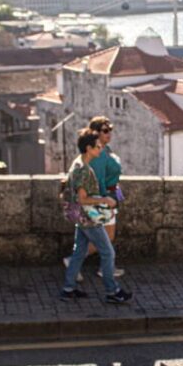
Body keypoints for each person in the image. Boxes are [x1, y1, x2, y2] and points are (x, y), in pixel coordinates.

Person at [60, 129, 132, 304]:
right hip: (88, 218)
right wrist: (105, 199)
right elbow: (82, 198)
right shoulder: (83, 170)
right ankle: (112, 291)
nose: (100, 149)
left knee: (79, 253)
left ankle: (68, 289)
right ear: (88, 148)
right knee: (108, 252)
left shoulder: (78, 163)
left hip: (80, 216)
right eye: (97, 147)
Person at [63, 116, 124, 281]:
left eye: (110, 130)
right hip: (102, 200)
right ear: (95, 133)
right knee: (107, 239)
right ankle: (102, 272)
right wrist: (104, 200)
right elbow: (95, 180)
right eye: (105, 131)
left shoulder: (104, 149)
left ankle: (100, 268)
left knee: (87, 239)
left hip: (107, 196)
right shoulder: (97, 155)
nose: (109, 133)